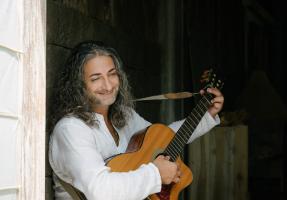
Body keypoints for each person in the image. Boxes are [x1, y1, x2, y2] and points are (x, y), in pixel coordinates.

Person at [48, 41, 224, 200]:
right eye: (96, 79)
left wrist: (205, 115)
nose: (108, 85)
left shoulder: (124, 115)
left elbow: (163, 141)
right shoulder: (71, 129)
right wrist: (156, 174)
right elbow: (100, 190)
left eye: (112, 74)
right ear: (78, 85)